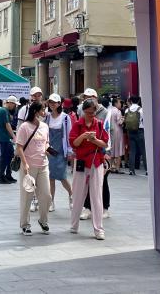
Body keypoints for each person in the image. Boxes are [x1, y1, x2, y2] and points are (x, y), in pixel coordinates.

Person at [69, 99, 109, 240]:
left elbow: (105, 143)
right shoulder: (77, 124)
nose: (91, 115)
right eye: (88, 112)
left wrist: (94, 140)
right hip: (81, 162)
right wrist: (83, 136)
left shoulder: (99, 124)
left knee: (96, 196)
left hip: (96, 162)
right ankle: (74, 225)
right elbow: (74, 143)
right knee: (78, 194)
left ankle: (99, 229)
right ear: (83, 111)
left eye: (93, 112)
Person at [16, 101, 52, 235]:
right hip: (29, 166)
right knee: (27, 196)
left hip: (43, 165)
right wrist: (25, 163)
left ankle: (43, 220)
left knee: (46, 196)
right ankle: (25, 224)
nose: (44, 112)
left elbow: (46, 142)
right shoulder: (24, 127)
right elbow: (19, 147)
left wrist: (48, 149)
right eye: (42, 110)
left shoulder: (45, 126)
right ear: (35, 112)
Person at [46, 94, 73, 212]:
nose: (52, 104)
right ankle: (51, 201)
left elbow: (69, 135)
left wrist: (70, 151)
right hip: (49, 150)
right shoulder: (47, 117)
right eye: (50, 102)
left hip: (61, 150)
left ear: (59, 103)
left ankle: (71, 195)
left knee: (62, 176)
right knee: (50, 177)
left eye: (55, 102)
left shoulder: (65, 118)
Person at [0, 96, 18, 184]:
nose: (15, 106)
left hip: (6, 138)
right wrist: (14, 136)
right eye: (14, 104)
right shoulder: (3, 110)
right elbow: (7, 124)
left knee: (10, 156)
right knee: (5, 157)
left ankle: (8, 175)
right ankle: (1, 177)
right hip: (4, 138)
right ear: (11, 103)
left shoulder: (5, 111)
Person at [125, 95, 145, 175]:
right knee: (143, 150)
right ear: (139, 101)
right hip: (139, 131)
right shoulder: (141, 110)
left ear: (131, 101)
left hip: (130, 132)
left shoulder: (127, 110)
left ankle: (131, 170)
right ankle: (147, 170)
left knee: (132, 151)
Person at [108, 98, 124, 172]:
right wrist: (123, 119)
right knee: (119, 149)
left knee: (112, 148)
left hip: (110, 131)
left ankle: (110, 167)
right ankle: (117, 168)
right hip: (117, 131)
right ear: (116, 103)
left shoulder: (109, 110)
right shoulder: (118, 111)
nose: (120, 104)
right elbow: (119, 122)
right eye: (119, 103)